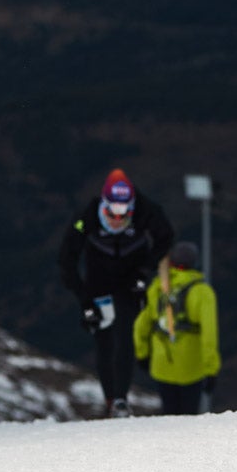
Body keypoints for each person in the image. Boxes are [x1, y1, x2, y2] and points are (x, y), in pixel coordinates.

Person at [58, 168, 175, 418]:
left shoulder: (147, 210)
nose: (117, 219)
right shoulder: (87, 216)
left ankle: (121, 399)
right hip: (98, 280)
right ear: (104, 205)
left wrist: (145, 271)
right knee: (104, 338)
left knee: (125, 335)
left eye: (124, 213)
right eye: (112, 213)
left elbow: (166, 237)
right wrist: (84, 299)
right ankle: (110, 399)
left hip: (130, 279)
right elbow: (67, 258)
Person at [133, 241, 220, 415]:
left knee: (169, 414)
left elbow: (141, 325)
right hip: (192, 366)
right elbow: (209, 334)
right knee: (189, 417)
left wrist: (142, 354)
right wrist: (211, 369)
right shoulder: (202, 292)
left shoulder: (158, 287)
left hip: (162, 363)